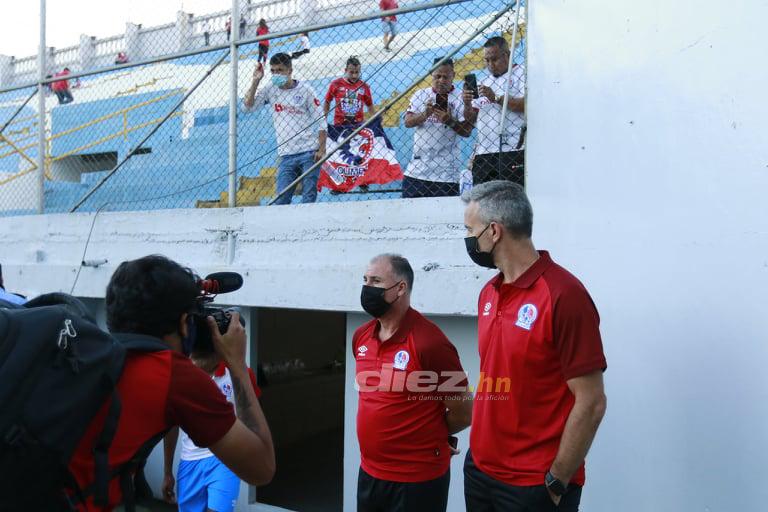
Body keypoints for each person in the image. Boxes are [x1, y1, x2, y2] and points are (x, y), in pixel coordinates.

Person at [66, 255, 275, 510]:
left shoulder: (86, 355)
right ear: (185, 324)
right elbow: (261, 468)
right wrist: (238, 365)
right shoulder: (174, 376)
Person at [461, 181, 607, 512]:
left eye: (470, 229)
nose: (468, 239)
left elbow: (592, 401)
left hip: (534, 486)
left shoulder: (564, 295)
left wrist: (557, 479)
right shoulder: (489, 292)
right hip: (481, 472)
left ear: (494, 231)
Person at [355, 254, 473, 512]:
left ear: (401, 288)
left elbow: (464, 412)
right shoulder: (361, 337)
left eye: (376, 281)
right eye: (365, 280)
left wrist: (432, 435)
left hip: (417, 480)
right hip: (370, 473)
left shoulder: (429, 342)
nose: (367, 288)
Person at [162, 351, 261, 511]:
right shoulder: (181, 373)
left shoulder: (239, 373)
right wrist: (167, 472)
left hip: (226, 459)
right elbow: (171, 425)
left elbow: (253, 418)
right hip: (189, 462)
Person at [243, 53, 327, 205]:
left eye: (280, 70)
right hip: (286, 154)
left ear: (290, 70)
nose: (276, 74)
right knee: (281, 200)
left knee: (308, 197)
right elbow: (248, 107)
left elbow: (321, 120)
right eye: (273, 71)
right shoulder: (271, 89)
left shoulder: (306, 90)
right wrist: (255, 81)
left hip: (308, 152)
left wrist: (321, 149)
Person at [402, 57, 473, 198]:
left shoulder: (460, 97)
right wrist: (425, 114)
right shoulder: (421, 94)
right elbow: (407, 122)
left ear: (453, 75)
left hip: (446, 173)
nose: (441, 80)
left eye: (445, 77)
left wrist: (449, 121)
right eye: (437, 76)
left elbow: (466, 132)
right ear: (431, 75)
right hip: (417, 171)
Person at [462, 36, 526, 186]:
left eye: (495, 59)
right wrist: (466, 104)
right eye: (487, 60)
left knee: (510, 197)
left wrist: (496, 97)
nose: (491, 65)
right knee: (483, 201)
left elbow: (526, 104)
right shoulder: (485, 82)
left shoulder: (522, 73)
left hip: (512, 150)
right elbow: (471, 119)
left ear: (507, 55)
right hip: (484, 153)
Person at [324, 56, 375, 127]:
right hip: (340, 125)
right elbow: (327, 101)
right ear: (346, 70)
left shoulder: (364, 86)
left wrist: (375, 119)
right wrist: (324, 119)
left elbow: (370, 105)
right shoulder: (336, 84)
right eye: (351, 72)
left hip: (359, 125)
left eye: (357, 72)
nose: (354, 76)